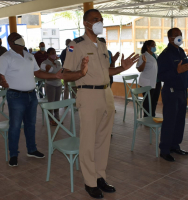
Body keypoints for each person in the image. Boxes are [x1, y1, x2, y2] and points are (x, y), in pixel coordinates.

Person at [63, 9, 139, 199]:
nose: (99, 22)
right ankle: (90, 182)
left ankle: (100, 177)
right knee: (88, 141)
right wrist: (80, 73)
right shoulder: (75, 45)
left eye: (101, 19)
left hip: (106, 93)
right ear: (85, 23)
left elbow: (107, 71)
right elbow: (65, 74)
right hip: (88, 95)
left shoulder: (103, 44)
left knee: (104, 140)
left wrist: (122, 67)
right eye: (95, 19)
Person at [0, 32, 63, 167]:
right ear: (10, 43)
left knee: (31, 124)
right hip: (16, 96)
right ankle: (13, 154)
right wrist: (1, 82)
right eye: (15, 38)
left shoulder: (29, 56)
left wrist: (55, 75)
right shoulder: (6, 57)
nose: (19, 39)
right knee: (14, 126)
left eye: (20, 37)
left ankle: (31, 149)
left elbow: (37, 73)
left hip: (31, 95)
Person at [157, 28, 188, 162]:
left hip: (182, 91)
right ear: (169, 38)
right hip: (171, 91)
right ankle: (165, 150)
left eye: (180, 35)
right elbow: (160, 76)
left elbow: (185, 73)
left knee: (180, 120)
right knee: (170, 121)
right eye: (176, 35)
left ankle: (175, 145)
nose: (179, 37)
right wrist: (176, 70)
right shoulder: (165, 55)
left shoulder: (181, 52)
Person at [136, 40, 161, 117]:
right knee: (147, 101)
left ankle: (152, 116)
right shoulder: (143, 56)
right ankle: (146, 117)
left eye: (155, 45)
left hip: (157, 82)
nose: (154, 47)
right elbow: (139, 69)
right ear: (148, 47)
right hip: (147, 83)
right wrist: (144, 62)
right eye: (153, 45)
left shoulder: (156, 56)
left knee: (154, 101)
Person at [41, 47, 62, 126]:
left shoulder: (58, 62)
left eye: (55, 52)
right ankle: (51, 119)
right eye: (52, 53)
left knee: (57, 102)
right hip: (50, 85)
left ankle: (57, 118)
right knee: (51, 102)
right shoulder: (44, 63)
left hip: (58, 84)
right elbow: (45, 74)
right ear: (48, 54)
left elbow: (60, 72)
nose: (54, 54)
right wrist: (47, 70)